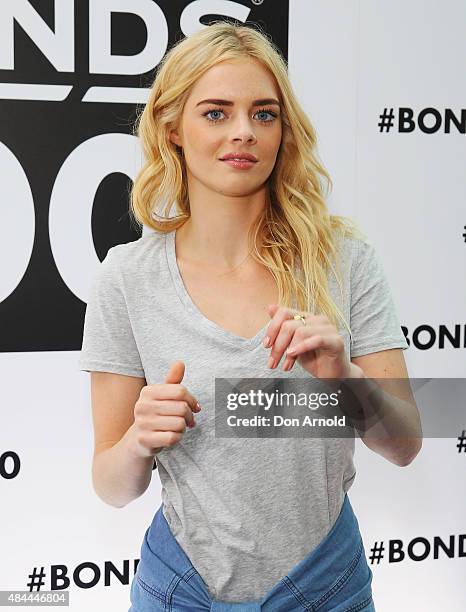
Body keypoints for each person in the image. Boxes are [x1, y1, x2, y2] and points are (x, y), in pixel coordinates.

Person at [78, 21, 422, 611]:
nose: (244, 132)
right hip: (180, 593)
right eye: (216, 112)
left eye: (264, 114)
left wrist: (345, 381)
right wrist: (139, 440)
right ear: (172, 128)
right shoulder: (125, 279)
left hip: (326, 590)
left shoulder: (345, 262)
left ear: (284, 130)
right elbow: (110, 485)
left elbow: (406, 443)